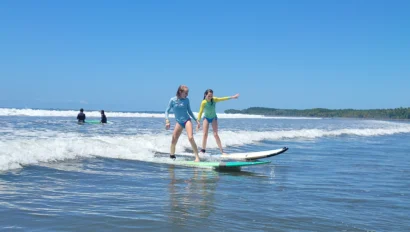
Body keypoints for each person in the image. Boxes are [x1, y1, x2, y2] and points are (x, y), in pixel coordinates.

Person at [196, 89, 239, 155]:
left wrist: (232, 97)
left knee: (215, 134)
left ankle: (222, 151)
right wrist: (198, 121)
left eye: (211, 96)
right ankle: (203, 150)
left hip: (213, 118)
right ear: (205, 95)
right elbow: (200, 112)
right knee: (205, 134)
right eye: (209, 96)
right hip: (206, 118)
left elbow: (222, 99)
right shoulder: (203, 102)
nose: (210, 97)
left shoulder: (214, 99)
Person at [165, 85, 201, 162]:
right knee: (174, 139)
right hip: (179, 122)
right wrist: (167, 121)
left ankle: (197, 157)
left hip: (187, 120)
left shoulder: (187, 100)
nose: (187, 94)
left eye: (187, 93)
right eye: (186, 93)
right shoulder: (173, 100)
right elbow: (167, 111)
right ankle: (172, 156)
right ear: (180, 92)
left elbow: (189, 111)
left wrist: (196, 120)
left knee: (190, 137)